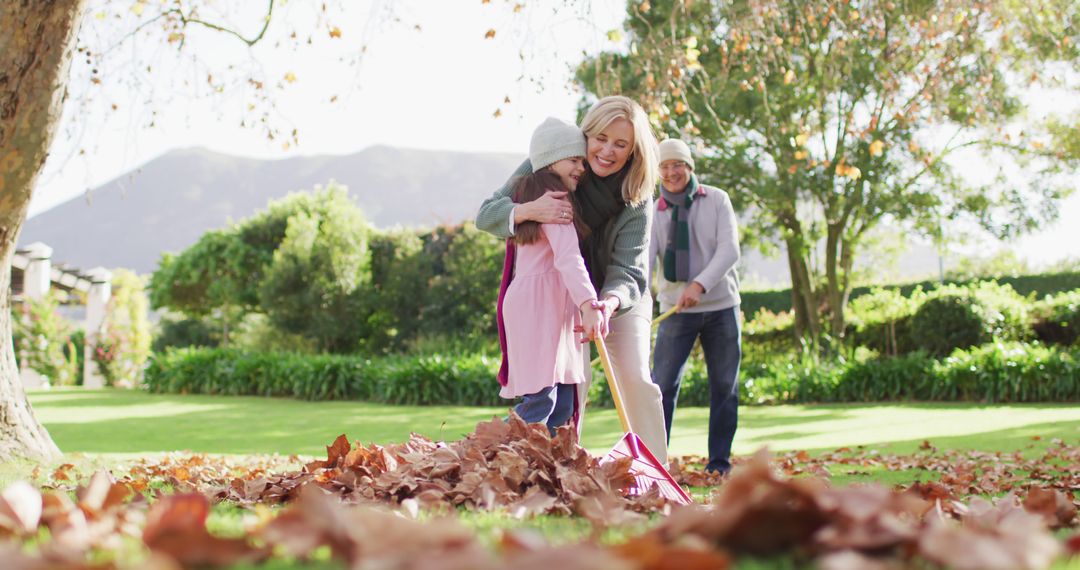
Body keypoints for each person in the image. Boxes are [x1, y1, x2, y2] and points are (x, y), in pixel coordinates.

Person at [477, 96, 669, 463]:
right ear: (585, 135)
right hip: (562, 296)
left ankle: (655, 469)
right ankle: (562, 467)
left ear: (633, 150)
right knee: (570, 386)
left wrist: (607, 303)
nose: (607, 151)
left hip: (617, 297)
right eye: (600, 138)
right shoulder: (556, 159)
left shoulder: (637, 195)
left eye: (620, 144)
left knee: (634, 378)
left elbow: (628, 270)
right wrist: (530, 210)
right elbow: (487, 214)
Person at [497, 118, 605, 435]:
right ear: (550, 160)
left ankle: (551, 471)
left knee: (561, 404)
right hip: (536, 307)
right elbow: (568, 256)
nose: (582, 168)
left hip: (549, 306)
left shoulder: (540, 199)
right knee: (541, 401)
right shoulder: (552, 202)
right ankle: (481, 452)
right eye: (574, 160)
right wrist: (588, 303)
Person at [648, 138, 742, 474]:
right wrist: (638, 306)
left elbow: (729, 250)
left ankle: (719, 464)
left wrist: (700, 284)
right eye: (665, 166)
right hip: (676, 311)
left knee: (724, 387)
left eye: (678, 165)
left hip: (721, 308)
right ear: (657, 171)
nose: (672, 172)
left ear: (689, 167)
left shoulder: (716, 199)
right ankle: (654, 464)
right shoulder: (652, 209)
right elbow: (645, 264)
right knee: (661, 388)